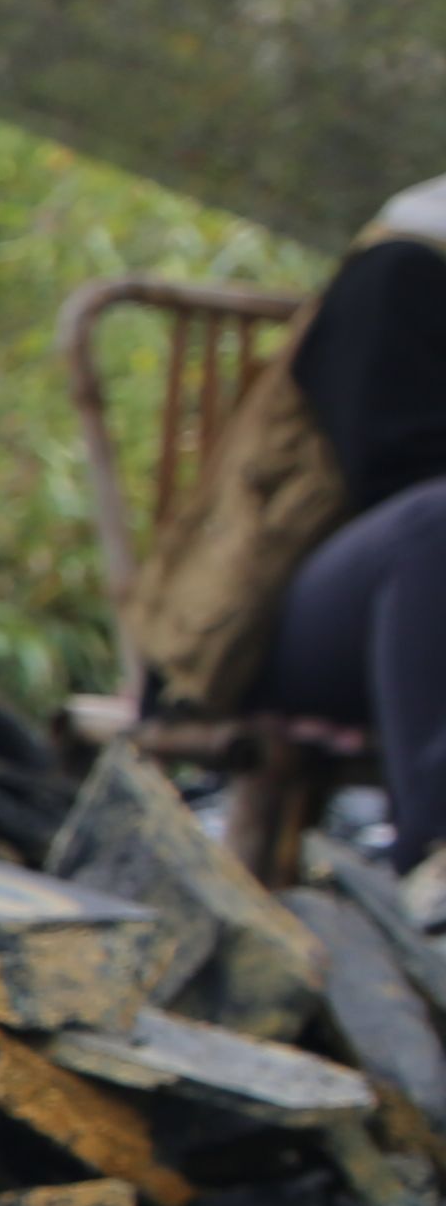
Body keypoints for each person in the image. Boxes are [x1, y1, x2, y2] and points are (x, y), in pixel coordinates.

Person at [242, 179, 446, 864]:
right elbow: (388, 469)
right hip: (319, 622)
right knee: (438, 523)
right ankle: (437, 851)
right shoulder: (403, 269)